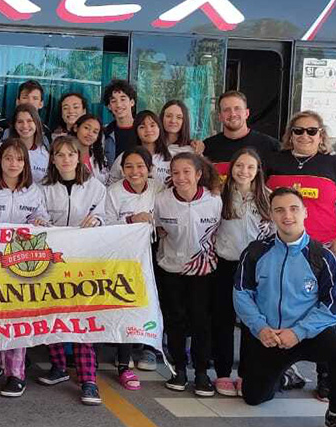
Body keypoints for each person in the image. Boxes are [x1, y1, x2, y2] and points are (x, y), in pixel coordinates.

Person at [235, 187, 336, 427]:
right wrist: (260, 329)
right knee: (254, 397)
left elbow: (335, 306)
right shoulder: (256, 251)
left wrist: (299, 332)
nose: (287, 215)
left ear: (305, 213)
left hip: (307, 335)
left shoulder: (322, 256)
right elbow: (241, 294)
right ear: (270, 214)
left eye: (293, 209)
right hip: (269, 336)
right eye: (279, 210)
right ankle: (286, 375)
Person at [265, 111, 336, 400]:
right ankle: (282, 369)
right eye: (298, 131)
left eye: (311, 131)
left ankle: (326, 378)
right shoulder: (275, 161)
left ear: (321, 136)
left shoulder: (334, 164)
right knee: (280, 306)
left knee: (324, 312)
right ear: (289, 134)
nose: (304, 136)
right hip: (281, 249)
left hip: (323, 251)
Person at [0, 138, 48, 397]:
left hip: (22, 267)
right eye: (8, 158)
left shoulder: (35, 191)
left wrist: (40, 221)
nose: (13, 163)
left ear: (26, 163)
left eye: (19, 159)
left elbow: (43, 221)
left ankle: (16, 374)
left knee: (17, 318)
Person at [37, 135, 106, 405]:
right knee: (52, 314)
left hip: (83, 262)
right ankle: (58, 367)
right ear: (52, 159)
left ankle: (88, 379)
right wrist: (40, 220)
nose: (66, 159)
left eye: (71, 154)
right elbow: (36, 215)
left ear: (79, 157)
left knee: (82, 319)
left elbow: (106, 216)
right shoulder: (42, 187)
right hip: (52, 262)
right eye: (60, 154)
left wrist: (98, 219)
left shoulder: (96, 187)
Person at [154, 152, 222, 397]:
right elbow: (155, 226)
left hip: (204, 272)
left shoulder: (214, 200)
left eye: (186, 172)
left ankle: (202, 372)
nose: (181, 177)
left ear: (198, 174)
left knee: (201, 321)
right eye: (175, 172)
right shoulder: (161, 200)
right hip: (171, 269)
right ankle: (179, 369)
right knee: (175, 321)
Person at [105, 146, 168, 389]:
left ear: (149, 169)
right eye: (129, 166)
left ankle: (149, 349)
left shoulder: (157, 188)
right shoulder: (113, 192)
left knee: (152, 301)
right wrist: (131, 220)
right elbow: (106, 224)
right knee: (128, 305)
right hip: (125, 256)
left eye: (140, 166)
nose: (134, 171)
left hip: (153, 252)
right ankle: (123, 363)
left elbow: (167, 214)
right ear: (121, 170)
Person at [213, 148, 271, 397]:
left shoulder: (268, 198)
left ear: (258, 171)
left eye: (250, 167)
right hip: (226, 264)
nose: (244, 171)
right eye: (239, 166)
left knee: (252, 323)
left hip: (256, 269)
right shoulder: (219, 195)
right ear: (231, 168)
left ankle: (246, 373)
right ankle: (223, 373)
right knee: (223, 321)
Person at [203, 90, 280, 176]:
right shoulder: (208, 147)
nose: (232, 114)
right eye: (226, 110)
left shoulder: (270, 146)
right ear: (220, 116)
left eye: (237, 108)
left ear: (247, 113)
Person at [108, 111, 171, 185]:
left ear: (159, 128)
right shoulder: (125, 156)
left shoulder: (171, 156)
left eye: (152, 125)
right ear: (136, 132)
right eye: (142, 127)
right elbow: (111, 183)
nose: (148, 130)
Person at [0, 104, 49, 184]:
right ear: (14, 125)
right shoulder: (1, 148)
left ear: (37, 123)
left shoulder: (45, 154)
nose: (25, 126)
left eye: (29, 121)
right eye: (20, 122)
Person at [0, 80, 49, 147]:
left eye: (35, 98)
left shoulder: (46, 132)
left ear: (41, 104)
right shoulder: (1, 125)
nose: (29, 102)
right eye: (25, 97)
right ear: (17, 101)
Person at [102, 79, 138, 165]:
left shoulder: (143, 129)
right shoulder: (105, 133)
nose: (118, 105)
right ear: (109, 106)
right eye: (113, 101)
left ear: (132, 102)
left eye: (123, 99)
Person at [70, 114, 108, 184]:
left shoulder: (99, 157)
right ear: (76, 128)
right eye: (86, 128)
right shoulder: (66, 156)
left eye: (95, 132)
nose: (90, 134)